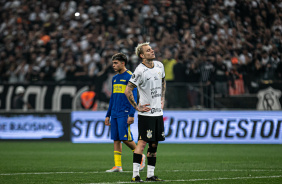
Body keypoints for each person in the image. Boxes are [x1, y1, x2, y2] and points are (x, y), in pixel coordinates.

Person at [125, 42, 166, 182]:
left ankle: (150, 175)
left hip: (158, 113)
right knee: (142, 144)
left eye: (152, 49)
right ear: (142, 55)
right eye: (148, 50)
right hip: (146, 114)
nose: (152, 51)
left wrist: (162, 98)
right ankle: (135, 175)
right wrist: (137, 107)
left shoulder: (160, 65)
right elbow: (128, 90)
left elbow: (163, 81)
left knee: (154, 144)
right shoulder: (140, 71)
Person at [105, 53, 145, 173]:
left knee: (126, 138)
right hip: (115, 112)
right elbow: (112, 98)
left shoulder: (130, 76)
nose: (113, 65)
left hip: (125, 112)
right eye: (113, 63)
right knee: (116, 139)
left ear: (123, 63)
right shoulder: (115, 78)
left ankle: (140, 156)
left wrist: (132, 114)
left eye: (116, 63)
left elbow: (134, 97)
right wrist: (108, 115)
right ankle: (118, 166)